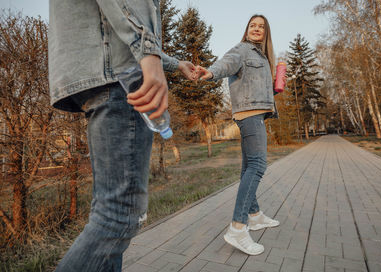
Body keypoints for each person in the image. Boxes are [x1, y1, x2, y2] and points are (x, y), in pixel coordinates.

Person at [48, 0, 194, 271]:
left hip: (101, 71)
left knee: (109, 213)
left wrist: (172, 63)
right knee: (120, 215)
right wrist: (149, 53)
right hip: (121, 76)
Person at [195, 14, 280, 256]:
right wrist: (209, 73)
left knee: (248, 168)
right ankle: (238, 227)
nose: (257, 29)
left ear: (266, 32)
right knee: (257, 166)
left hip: (255, 113)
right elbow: (226, 63)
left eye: (261, 26)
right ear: (246, 29)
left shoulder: (261, 56)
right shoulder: (242, 50)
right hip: (249, 114)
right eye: (253, 25)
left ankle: (254, 216)